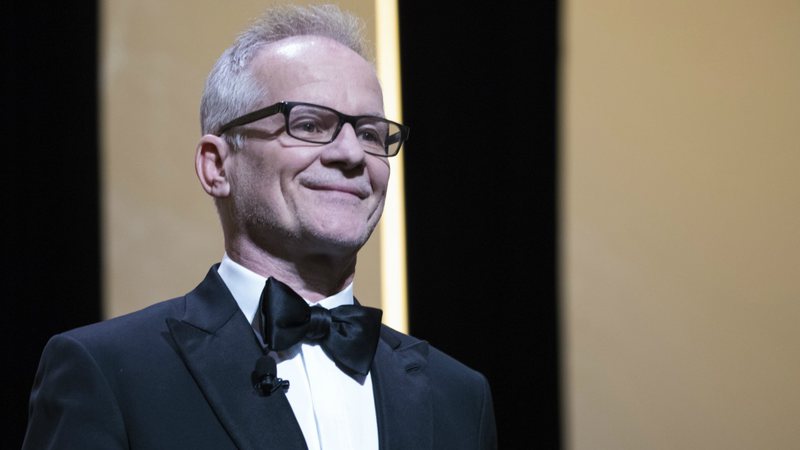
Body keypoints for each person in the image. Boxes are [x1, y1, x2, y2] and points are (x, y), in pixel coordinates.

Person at [22, 4, 497, 449]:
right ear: (217, 166)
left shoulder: (458, 395)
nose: (352, 155)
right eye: (309, 124)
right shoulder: (107, 372)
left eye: (371, 133)